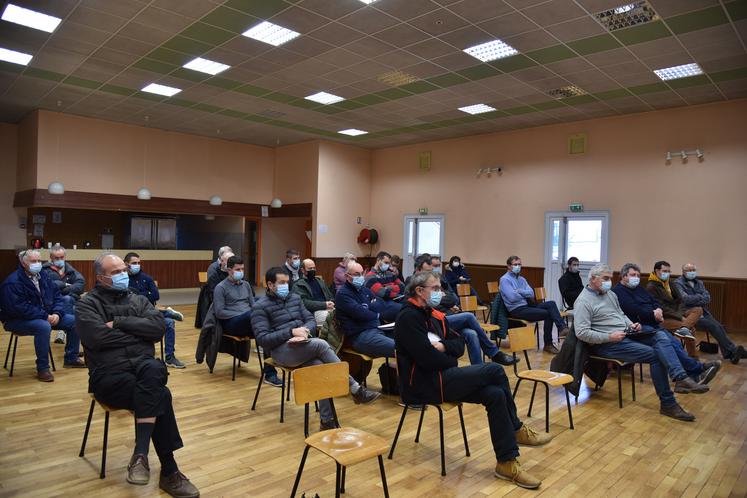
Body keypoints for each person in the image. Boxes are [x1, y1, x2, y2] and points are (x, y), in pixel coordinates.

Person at [395, 271, 551, 489]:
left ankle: (506, 463)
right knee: (495, 370)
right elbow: (427, 360)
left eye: (440, 288)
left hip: (442, 378)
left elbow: (459, 344)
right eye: (436, 289)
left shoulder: (433, 314)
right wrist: (448, 356)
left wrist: (445, 348)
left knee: (495, 395)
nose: (441, 293)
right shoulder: (408, 317)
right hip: (424, 386)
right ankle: (515, 427)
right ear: (420, 291)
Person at [76, 253, 199, 497]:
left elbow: (158, 328)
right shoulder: (87, 304)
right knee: (160, 394)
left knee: (153, 370)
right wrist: (138, 331)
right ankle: (169, 471)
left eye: (124, 269)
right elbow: (97, 338)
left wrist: (120, 322)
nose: (124, 274)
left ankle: (141, 456)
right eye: (116, 272)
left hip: (144, 368)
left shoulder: (138, 300)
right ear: (101, 278)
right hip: (109, 375)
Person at [251, 267, 380, 430]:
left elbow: (310, 320)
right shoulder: (260, 307)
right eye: (281, 283)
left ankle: (327, 421)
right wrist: (290, 332)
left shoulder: (295, 298)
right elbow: (263, 340)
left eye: (287, 282)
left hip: (303, 344)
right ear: (270, 284)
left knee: (320, 369)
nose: (286, 286)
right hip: (281, 351)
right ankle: (355, 388)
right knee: (321, 344)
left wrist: (304, 331)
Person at [574, 263, 697, 421]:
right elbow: (582, 333)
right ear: (593, 278)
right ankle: (669, 402)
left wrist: (630, 324)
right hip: (606, 344)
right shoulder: (583, 301)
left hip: (625, 334)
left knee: (660, 335)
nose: (609, 282)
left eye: (610, 278)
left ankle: (681, 377)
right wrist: (609, 337)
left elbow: (620, 314)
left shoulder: (609, 294)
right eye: (605, 278)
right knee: (656, 355)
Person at [613, 263, 721, 388]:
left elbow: (654, 301)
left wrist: (657, 310)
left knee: (675, 343)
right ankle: (695, 370)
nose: (636, 277)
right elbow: (634, 309)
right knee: (667, 341)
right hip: (638, 327)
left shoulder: (638, 288)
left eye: (637, 275)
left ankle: (695, 373)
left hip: (653, 322)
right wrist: (654, 313)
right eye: (633, 275)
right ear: (623, 276)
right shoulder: (619, 292)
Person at [407, 254, 517, 366]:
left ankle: (478, 370)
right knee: (469, 316)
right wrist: (444, 299)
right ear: (418, 269)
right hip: (436, 320)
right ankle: (494, 353)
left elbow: (453, 298)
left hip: (449, 317)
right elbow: (428, 303)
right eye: (427, 270)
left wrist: (444, 299)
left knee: (471, 333)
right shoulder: (411, 282)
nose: (431, 273)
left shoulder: (436, 279)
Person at [0, 249, 84, 380]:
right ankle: (43, 368)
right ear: (23, 263)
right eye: (34, 261)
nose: (38, 264)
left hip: (45, 315)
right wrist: (44, 316)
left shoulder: (43, 276)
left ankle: (71, 358)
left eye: (39, 261)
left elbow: (57, 296)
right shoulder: (12, 282)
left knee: (75, 321)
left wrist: (57, 313)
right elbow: (18, 308)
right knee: (43, 326)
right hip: (16, 320)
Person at [673, 263, 746, 364]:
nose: (692, 272)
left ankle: (731, 353)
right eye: (689, 270)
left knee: (719, 326)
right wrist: (699, 297)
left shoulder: (699, 282)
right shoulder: (677, 283)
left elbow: (707, 298)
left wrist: (696, 298)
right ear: (683, 272)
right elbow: (685, 299)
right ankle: (734, 352)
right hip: (688, 314)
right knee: (713, 326)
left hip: (703, 311)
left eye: (693, 269)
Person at [124, 253, 184, 369]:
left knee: (169, 323)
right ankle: (166, 312)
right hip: (134, 315)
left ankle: (170, 357)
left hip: (151, 313)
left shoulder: (147, 278)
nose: (137, 265)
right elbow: (128, 299)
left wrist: (137, 295)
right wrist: (145, 295)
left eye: (138, 263)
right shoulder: (123, 279)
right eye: (134, 263)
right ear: (126, 264)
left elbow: (156, 295)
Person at [500, 255, 569, 354]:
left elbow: (531, 293)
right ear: (508, 266)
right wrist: (524, 293)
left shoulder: (522, 279)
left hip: (527, 306)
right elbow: (512, 298)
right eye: (515, 264)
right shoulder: (505, 280)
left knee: (551, 304)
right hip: (516, 309)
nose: (518, 266)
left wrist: (519, 291)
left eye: (519, 264)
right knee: (548, 313)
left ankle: (562, 328)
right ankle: (548, 344)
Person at [336, 261, 395, 359]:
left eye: (362, 273)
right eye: (357, 274)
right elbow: (360, 314)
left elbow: (381, 304)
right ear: (347, 276)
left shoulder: (364, 289)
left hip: (378, 328)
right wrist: (374, 311)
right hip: (360, 335)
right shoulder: (343, 294)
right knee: (401, 348)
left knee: (408, 340)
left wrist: (368, 308)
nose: (361, 276)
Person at [646, 261, 701, 343]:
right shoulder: (651, 287)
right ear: (657, 271)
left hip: (676, 311)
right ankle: (692, 355)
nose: (667, 274)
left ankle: (684, 328)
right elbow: (662, 308)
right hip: (664, 317)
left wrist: (680, 313)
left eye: (669, 271)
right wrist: (680, 316)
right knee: (691, 329)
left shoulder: (670, 283)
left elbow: (681, 300)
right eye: (665, 271)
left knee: (698, 309)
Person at [42, 244, 86, 343]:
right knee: (68, 301)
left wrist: (62, 288)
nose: (59, 259)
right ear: (51, 258)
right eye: (56, 258)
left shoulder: (70, 270)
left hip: (71, 301)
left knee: (72, 303)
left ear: (65, 257)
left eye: (61, 257)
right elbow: (48, 287)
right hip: (51, 303)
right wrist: (65, 284)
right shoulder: (43, 271)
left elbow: (80, 285)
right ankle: (66, 334)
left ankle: (64, 333)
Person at [292, 258, 335, 327]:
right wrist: (324, 305)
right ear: (303, 270)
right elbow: (304, 303)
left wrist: (331, 302)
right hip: (313, 312)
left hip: (328, 308)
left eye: (314, 268)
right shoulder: (298, 285)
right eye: (310, 268)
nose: (313, 270)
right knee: (334, 319)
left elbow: (330, 295)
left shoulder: (320, 281)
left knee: (343, 315)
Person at [363, 251, 404, 322]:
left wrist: (387, 287)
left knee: (411, 306)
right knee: (403, 309)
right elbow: (382, 293)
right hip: (383, 304)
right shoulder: (370, 276)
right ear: (378, 261)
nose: (387, 265)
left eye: (389, 263)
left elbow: (403, 286)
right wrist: (394, 288)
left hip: (396, 300)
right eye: (386, 262)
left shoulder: (390, 274)